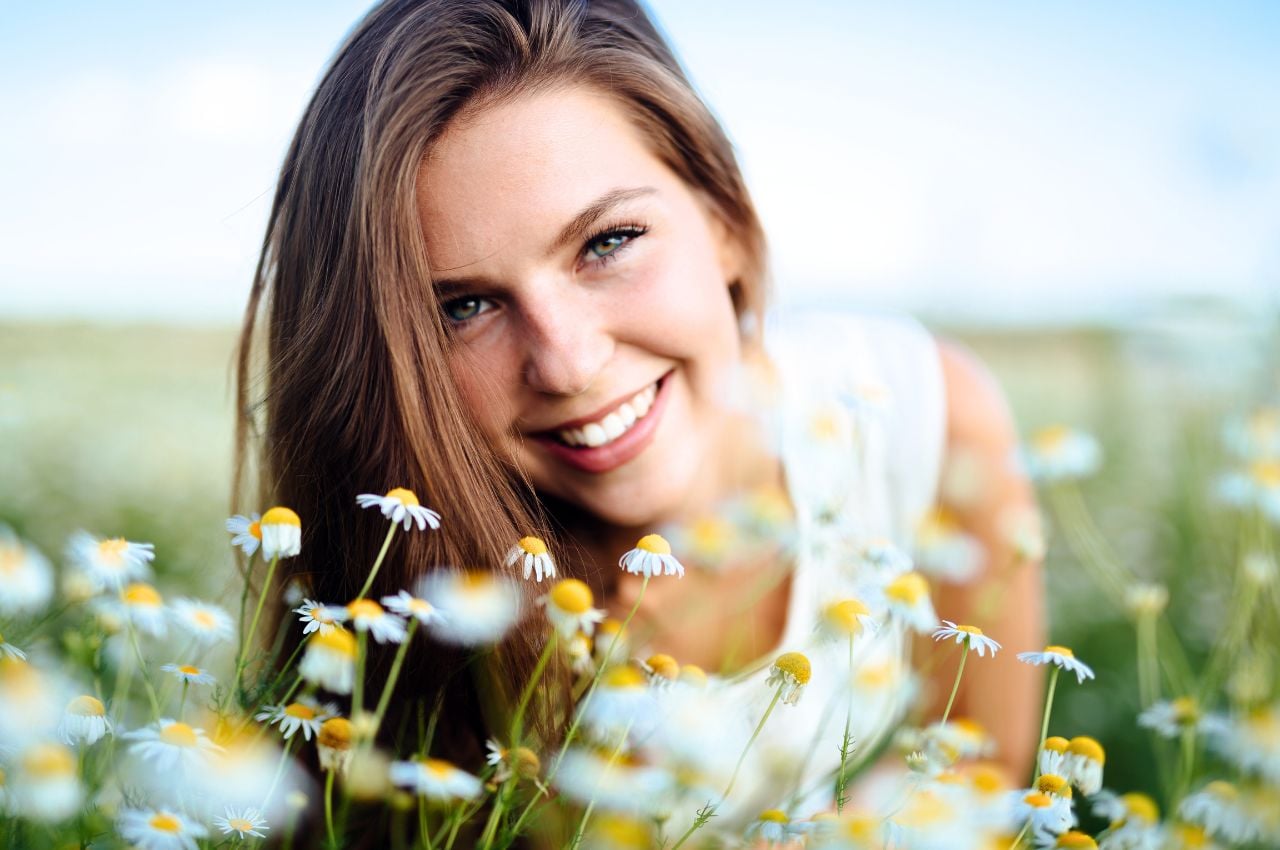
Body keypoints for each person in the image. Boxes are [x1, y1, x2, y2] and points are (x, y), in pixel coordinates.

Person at [233, 0, 1044, 837]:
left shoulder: (924, 418)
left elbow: (980, 764)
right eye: (464, 306)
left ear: (726, 221)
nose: (569, 364)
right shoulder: (430, 584)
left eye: (608, 242)